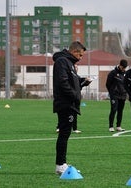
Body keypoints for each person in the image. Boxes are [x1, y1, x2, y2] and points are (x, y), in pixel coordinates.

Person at [52, 41, 91, 174]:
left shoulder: (70, 64)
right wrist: (75, 95)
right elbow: (63, 82)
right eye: (80, 55)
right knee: (64, 133)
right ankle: (60, 164)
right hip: (65, 103)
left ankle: (62, 163)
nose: (80, 58)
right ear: (74, 52)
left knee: (66, 133)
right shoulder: (62, 62)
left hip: (70, 103)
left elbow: (72, 82)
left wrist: (82, 82)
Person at [55, 64, 83, 134]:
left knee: (75, 112)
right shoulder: (67, 77)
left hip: (75, 98)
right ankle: (59, 127)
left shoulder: (77, 77)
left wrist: (85, 82)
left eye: (77, 67)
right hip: (67, 98)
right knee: (63, 113)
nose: (76, 69)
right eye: (75, 67)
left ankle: (75, 128)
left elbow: (79, 87)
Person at [106, 59, 128, 132]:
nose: (124, 69)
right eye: (123, 67)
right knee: (113, 110)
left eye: (125, 68)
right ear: (120, 65)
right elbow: (108, 84)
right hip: (114, 95)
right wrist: (111, 92)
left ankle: (118, 126)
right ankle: (111, 126)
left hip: (123, 95)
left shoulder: (126, 74)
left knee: (120, 111)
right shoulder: (113, 73)